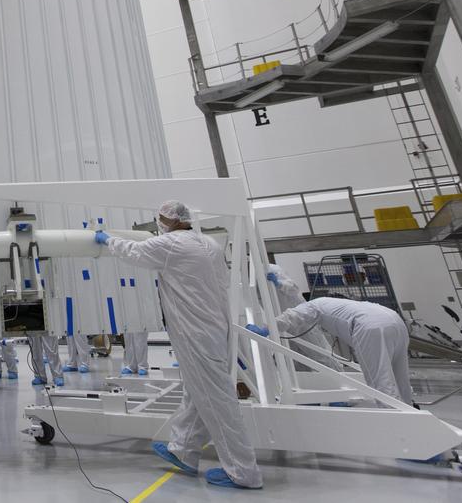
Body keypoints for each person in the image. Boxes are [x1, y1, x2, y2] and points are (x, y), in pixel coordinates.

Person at [97, 200, 262, 490]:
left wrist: (107, 239)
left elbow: (133, 252)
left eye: (160, 218)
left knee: (217, 402)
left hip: (194, 333)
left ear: (172, 221)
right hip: (216, 329)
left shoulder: (170, 245)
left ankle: (243, 471)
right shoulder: (209, 243)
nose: (158, 222)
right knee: (199, 393)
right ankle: (183, 448)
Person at [247, 295, 413, 406]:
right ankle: (415, 421)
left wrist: (266, 328)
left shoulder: (314, 305)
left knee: (380, 381)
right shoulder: (332, 303)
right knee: (401, 378)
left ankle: (401, 432)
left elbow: (293, 316)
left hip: (370, 327)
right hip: (395, 321)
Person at [264, 265, 338, 369]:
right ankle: (307, 382)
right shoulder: (252, 277)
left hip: (301, 320)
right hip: (284, 324)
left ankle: (339, 378)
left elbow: (294, 288)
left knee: (319, 353)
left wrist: (279, 283)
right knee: (292, 358)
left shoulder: (271, 269)